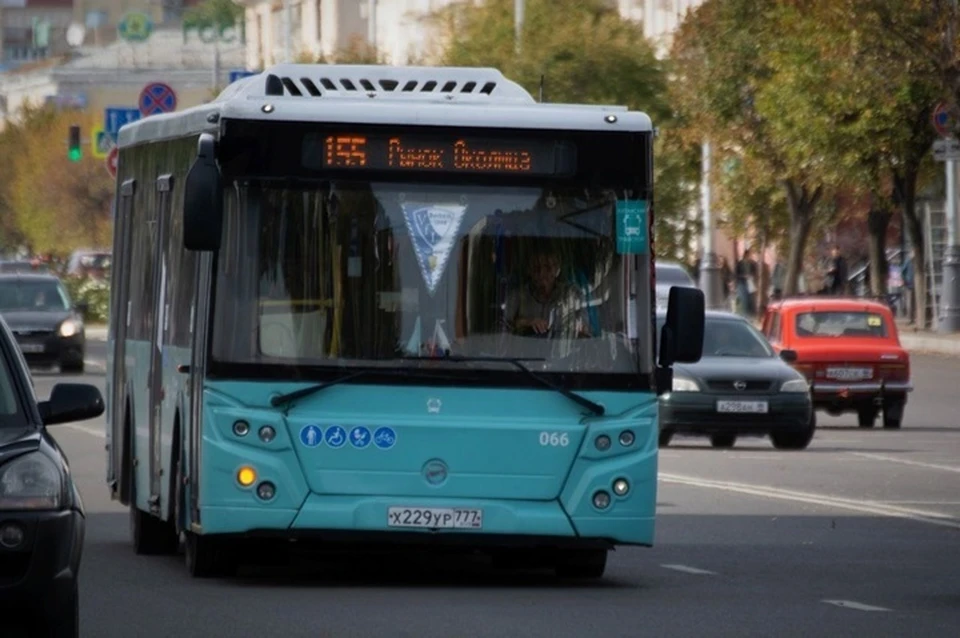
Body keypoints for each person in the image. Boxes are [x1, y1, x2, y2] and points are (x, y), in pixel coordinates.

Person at [504, 247, 591, 339]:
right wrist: (527, 322)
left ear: (557, 269)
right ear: (529, 270)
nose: (541, 273)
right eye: (536, 268)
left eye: (548, 268)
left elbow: (584, 328)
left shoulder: (572, 294)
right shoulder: (517, 295)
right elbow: (502, 326)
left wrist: (578, 327)